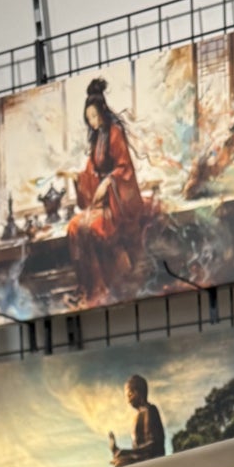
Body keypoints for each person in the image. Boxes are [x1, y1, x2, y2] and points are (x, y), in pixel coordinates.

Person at [67, 77, 149, 302]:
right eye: (88, 119)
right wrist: (77, 177)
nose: (92, 122)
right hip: (102, 200)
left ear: (102, 111)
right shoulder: (97, 139)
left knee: (92, 227)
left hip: (116, 200)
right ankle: (87, 286)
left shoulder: (114, 133)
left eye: (94, 116)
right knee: (75, 226)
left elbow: (124, 168)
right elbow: (91, 170)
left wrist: (108, 182)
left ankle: (101, 288)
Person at [109, 375, 166, 467]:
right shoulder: (137, 416)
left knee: (121, 464)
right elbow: (137, 450)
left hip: (152, 461)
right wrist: (117, 450)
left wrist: (127, 452)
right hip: (140, 459)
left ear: (138, 392)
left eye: (130, 395)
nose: (128, 400)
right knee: (119, 461)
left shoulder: (150, 410)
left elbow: (153, 446)